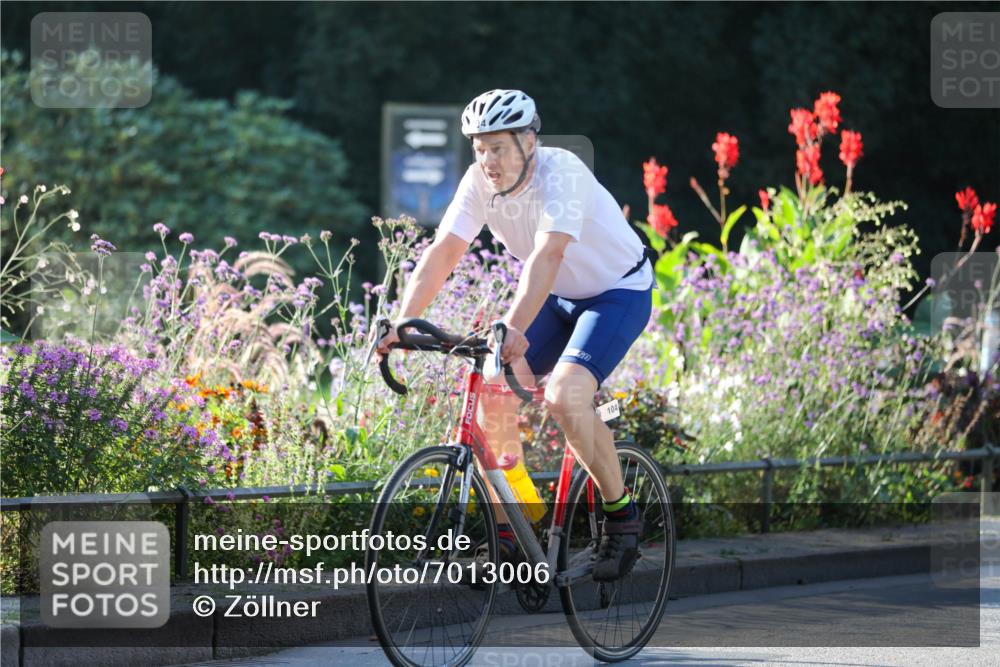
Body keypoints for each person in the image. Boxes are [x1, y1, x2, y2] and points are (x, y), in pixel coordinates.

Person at [377, 89, 653, 581]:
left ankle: (621, 517)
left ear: (529, 140)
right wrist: (403, 320)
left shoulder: (561, 173)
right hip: (557, 295)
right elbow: (444, 251)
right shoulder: (478, 181)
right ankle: (514, 529)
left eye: (498, 148)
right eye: (479, 148)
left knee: (566, 398)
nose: (487, 160)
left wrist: (514, 328)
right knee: (491, 403)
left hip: (616, 292)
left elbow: (548, 257)